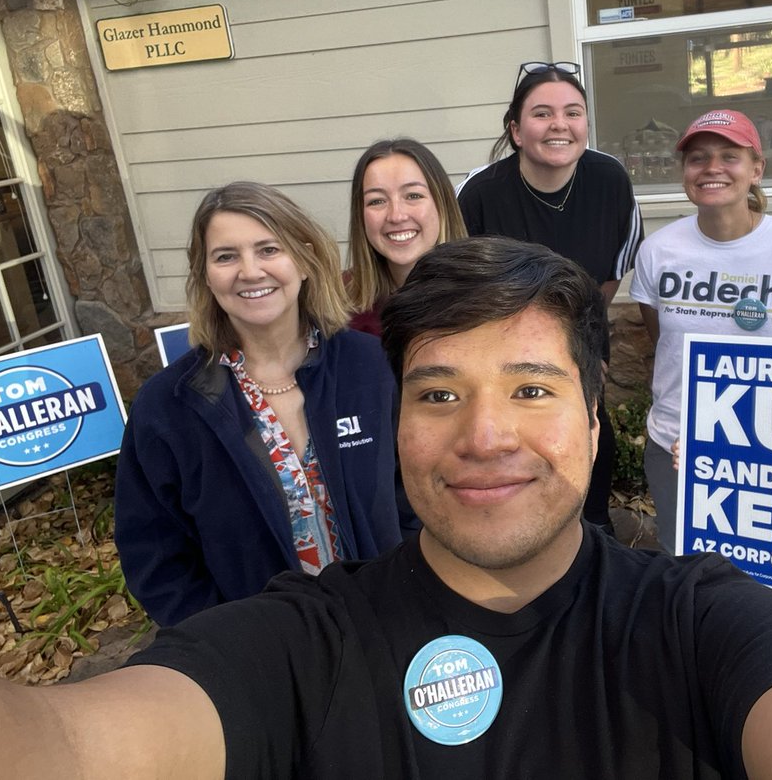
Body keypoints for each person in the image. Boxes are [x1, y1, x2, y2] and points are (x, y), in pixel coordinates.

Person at [0, 237, 772, 779]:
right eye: (438, 394)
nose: (484, 433)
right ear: (396, 427)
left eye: (532, 391)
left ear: (598, 422)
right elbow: (62, 747)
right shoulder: (304, 640)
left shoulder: (699, 617)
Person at [114, 181, 407, 627]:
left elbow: (417, 491)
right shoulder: (167, 408)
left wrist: (410, 585)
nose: (250, 271)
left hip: (387, 626)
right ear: (206, 275)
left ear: (305, 260)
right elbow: (154, 555)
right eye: (226, 256)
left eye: (269, 249)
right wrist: (228, 639)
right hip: (260, 654)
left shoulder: (370, 368)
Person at [630, 109, 772, 552]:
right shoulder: (657, 250)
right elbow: (665, 341)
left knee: (761, 568)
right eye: (698, 158)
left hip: (767, 450)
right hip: (676, 444)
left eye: (729, 156)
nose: (712, 169)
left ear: (756, 169)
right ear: (684, 171)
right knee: (681, 561)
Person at [456, 60, 643, 532]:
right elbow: (467, 292)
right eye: (543, 114)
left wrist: (584, 344)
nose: (560, 124)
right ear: (517, 131)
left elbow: (608, 275)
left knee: (588, 447)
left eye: (573, 112)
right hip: (503, 352)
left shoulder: (611, 180)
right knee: (521, 457)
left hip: (581, 342)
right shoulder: (479, 194)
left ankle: (596, 538)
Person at [344, 137, 467, 336]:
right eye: (377, 201)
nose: (396, 216)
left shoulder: (484, 299)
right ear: (361, 215)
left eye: (413, 196)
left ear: (442, 204)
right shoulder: (340, 308)